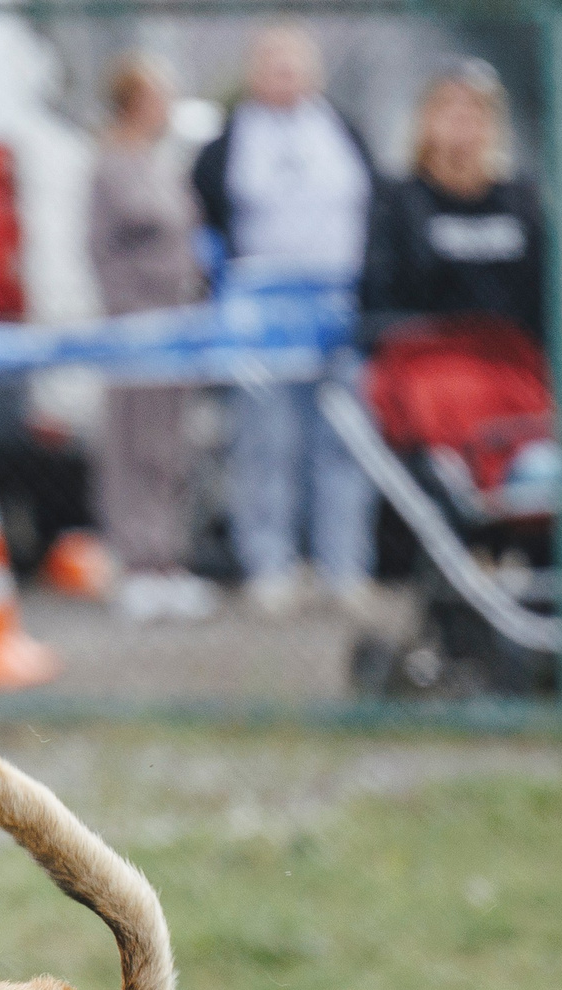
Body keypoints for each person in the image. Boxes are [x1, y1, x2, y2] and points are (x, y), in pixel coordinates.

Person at [192, 24, 378, 615]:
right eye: (273, 63)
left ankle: (344, 566)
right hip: (263, 317)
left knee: (344, 442)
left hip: (338, 313)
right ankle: (269, 564)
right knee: (265, 444)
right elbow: (207, 219)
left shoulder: (343, 131)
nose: (285, 74)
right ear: (253, 73)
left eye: (294, 63)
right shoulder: (228, 145)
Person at [88, 53, 216, 622]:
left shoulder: (161, 162)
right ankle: (135, 559)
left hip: (178, 323)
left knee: (170, 446)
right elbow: (108, 245)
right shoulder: (112, 166)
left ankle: (168, 558)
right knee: (132, 444)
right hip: (136, 324)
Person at [358, 59, 546, 350]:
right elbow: (377, 303)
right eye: (449, 106)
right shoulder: (398, 201)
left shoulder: (521, 200)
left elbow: (544, 302)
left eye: (476, 108)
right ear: (426, 119)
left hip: (508, 359)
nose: (463, 117)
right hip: (425, 359)